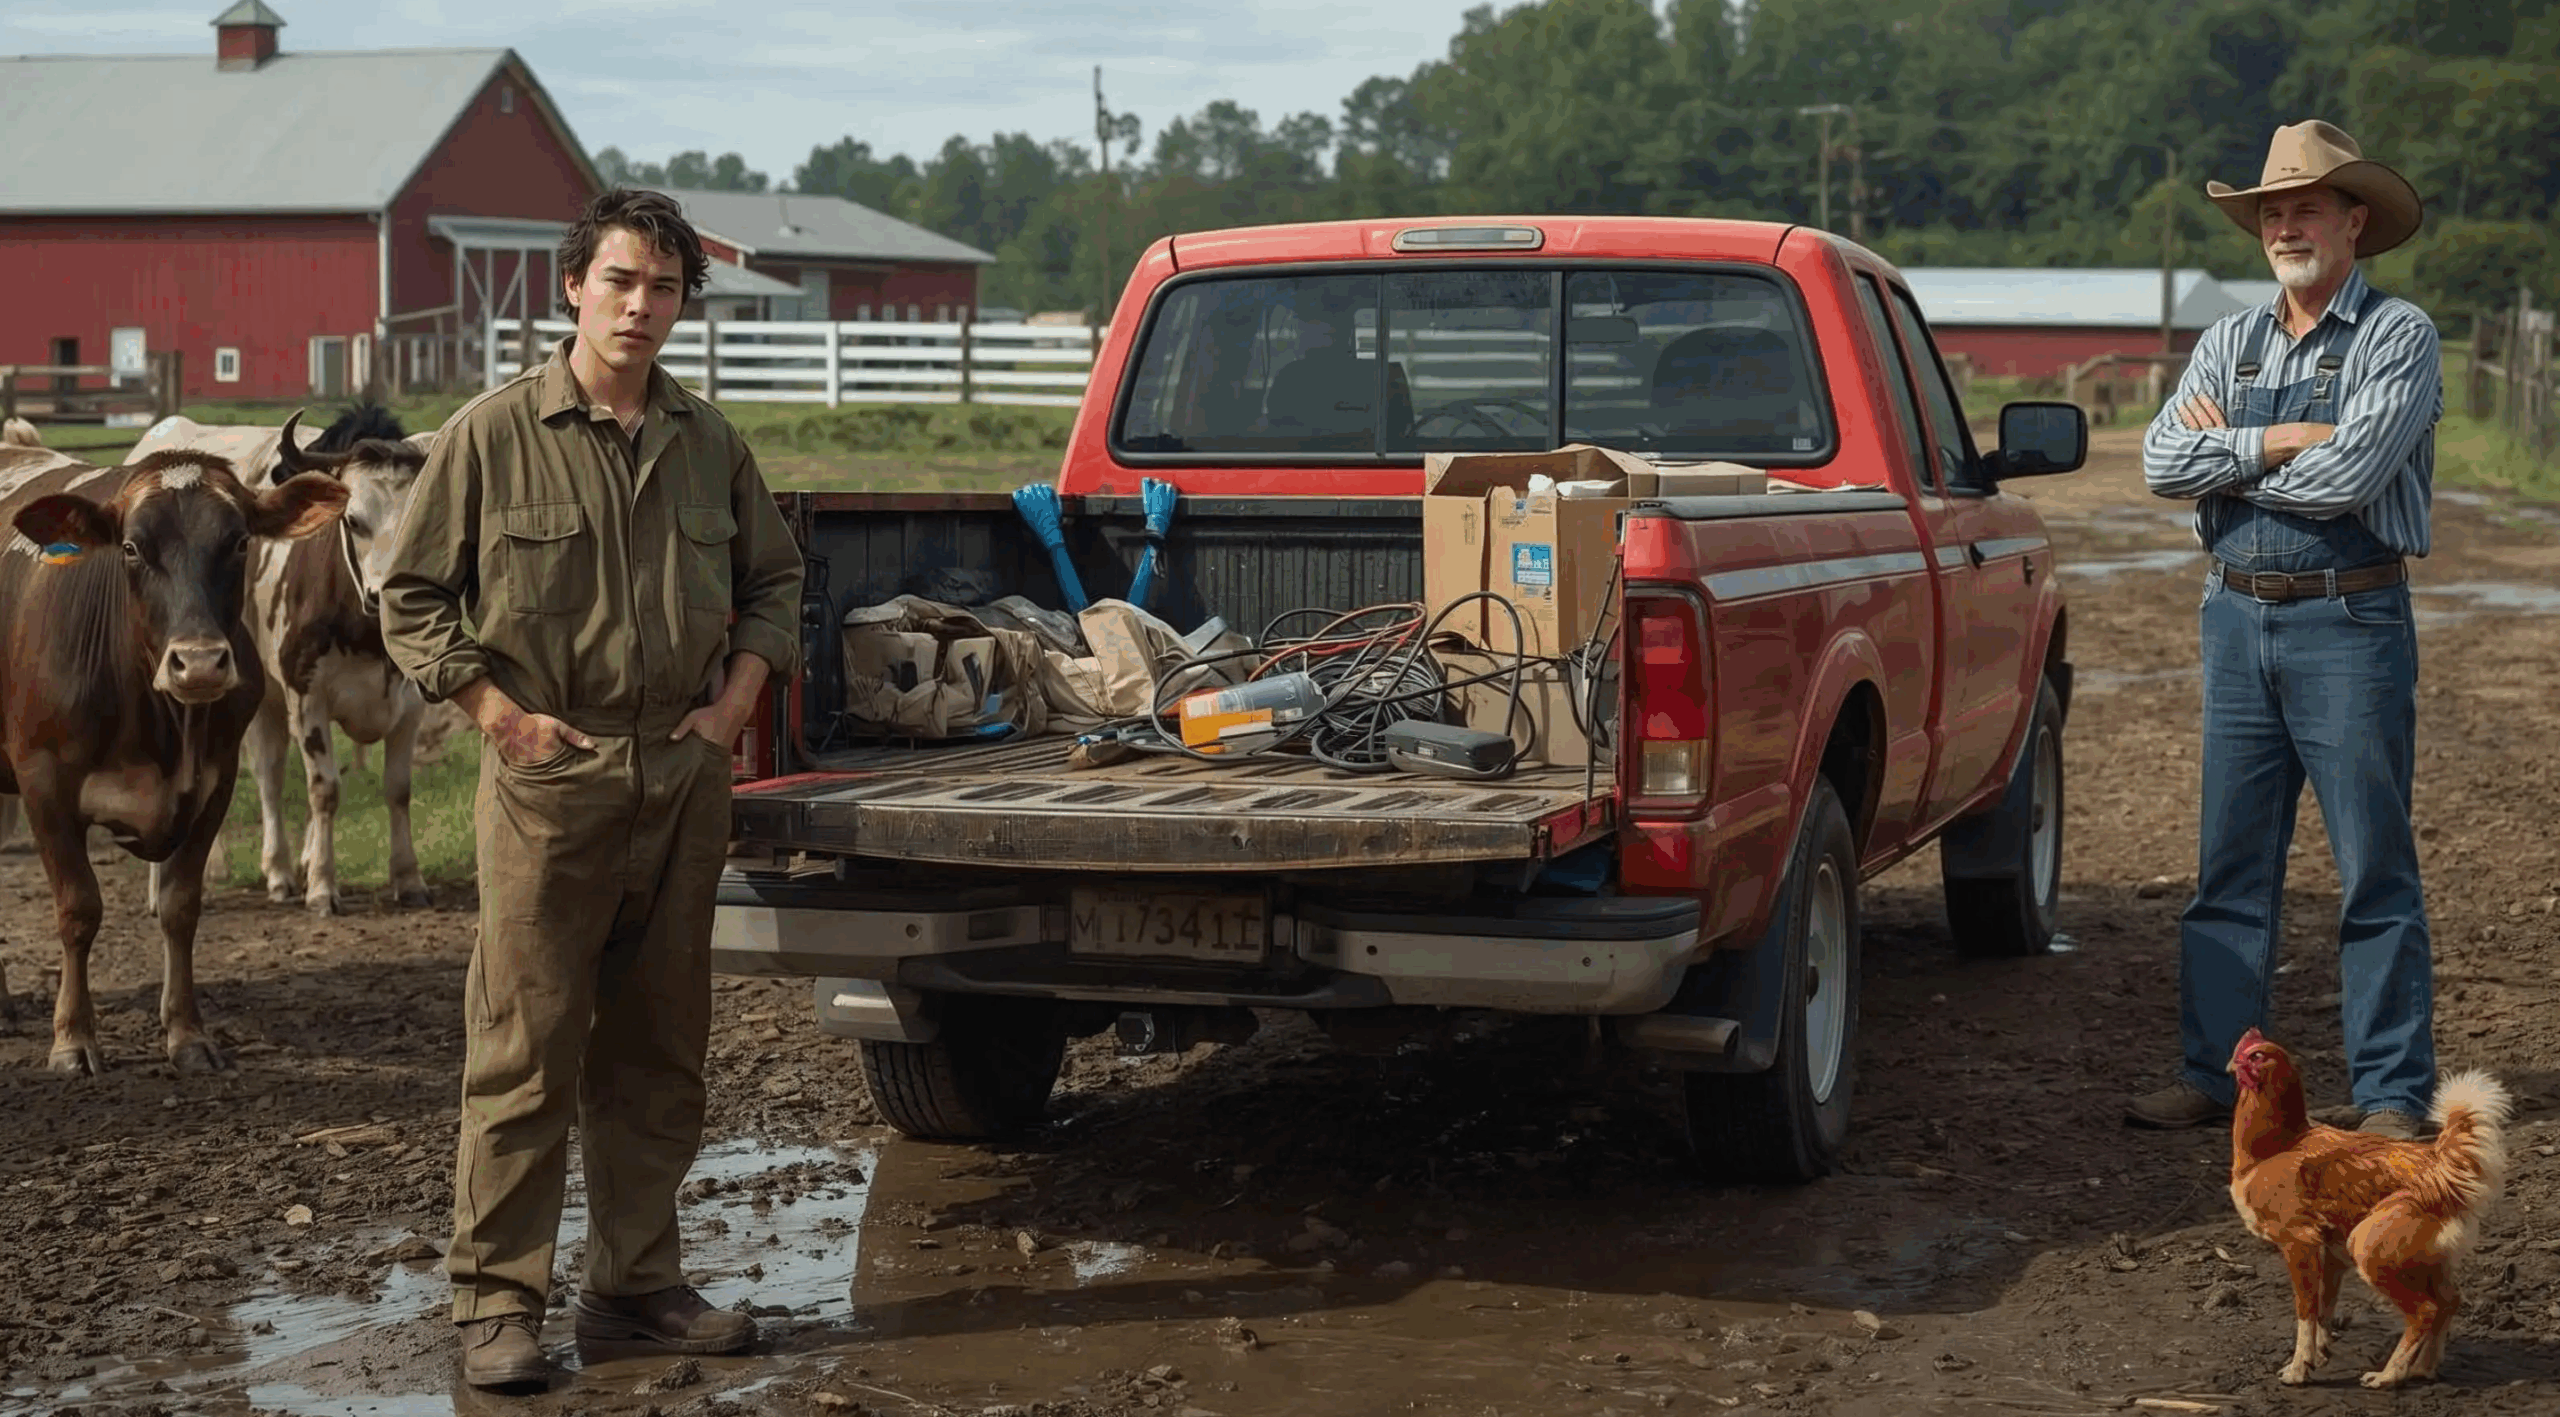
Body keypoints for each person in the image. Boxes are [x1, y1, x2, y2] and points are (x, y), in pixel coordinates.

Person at [378, 187, 805, 1389]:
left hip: (679, 778)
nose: (640, 306)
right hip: (548, 780)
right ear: (573, 286)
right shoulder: (492, 435)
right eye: (621, 281)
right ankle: (496, 1306)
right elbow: (410, 597)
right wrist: (496, 714)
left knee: (661, 1051)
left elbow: (774, 581)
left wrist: (732, 707)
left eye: (663, 288)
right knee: (525, 1048)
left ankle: (636, 1290)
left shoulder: (709, 441)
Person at [2125, 121, 2441, 1141]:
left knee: (2371, 866)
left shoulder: (2397, 336)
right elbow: (2160, 464)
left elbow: (2348, 478)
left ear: (2355, 221)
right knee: (2229, 866)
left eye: (2305, 207)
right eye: (2271, 211)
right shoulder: (2229, 338)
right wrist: (2281, 435)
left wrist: (2231, 445)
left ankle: (2392, 1093)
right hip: (2233, 616)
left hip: (2348, 617)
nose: (2284, 226)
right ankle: (2213, 1076)